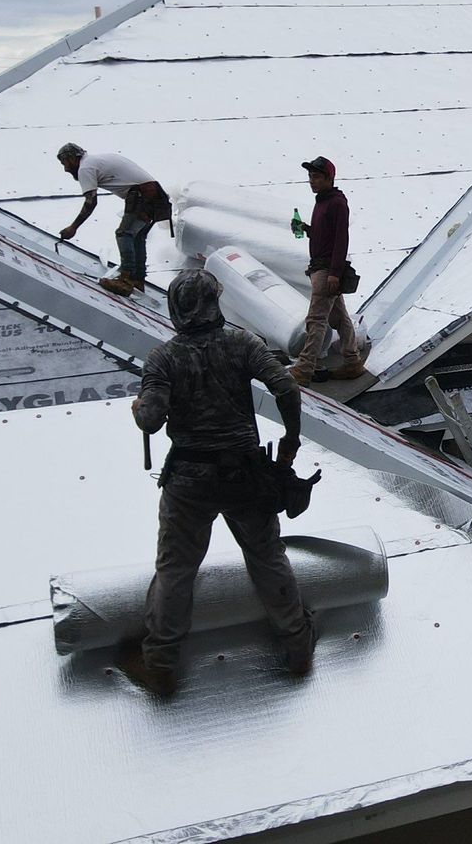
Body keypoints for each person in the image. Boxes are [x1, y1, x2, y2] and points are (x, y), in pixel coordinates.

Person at [125, 269, 316, 697]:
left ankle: (160, 665)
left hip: (189, 479)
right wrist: (291, 438)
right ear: (216, 302)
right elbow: (286, 386)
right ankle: (299, 647)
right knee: (267, 556)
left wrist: (139, 407)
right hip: (244, 473)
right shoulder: (243, 343)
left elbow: (151, 420)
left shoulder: (163, 358)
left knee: (176, 569)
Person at [56, 143, 169, 296]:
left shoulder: (85, 168)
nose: (66, 169)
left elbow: (91, 202)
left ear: (72, 158)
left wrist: (73, 227)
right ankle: (137, 280)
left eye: (65, 163)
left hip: (142, 195)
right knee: (137, 237)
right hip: (155, 196)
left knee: (124, 234)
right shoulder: (96, 161)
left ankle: (125, 280)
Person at [291, 155, 367, 385]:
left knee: (316, 319)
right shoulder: (323, 201)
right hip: (322, 268)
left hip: (326, 271)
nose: (311, 181)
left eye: (316, 177)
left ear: (329, 178)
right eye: (310, 177)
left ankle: (303, 369)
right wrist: (306, 228)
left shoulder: (336, 203)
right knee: (340, 318)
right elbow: (325, 235)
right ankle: (352, 362)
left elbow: (341, 240)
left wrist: (334, 272)